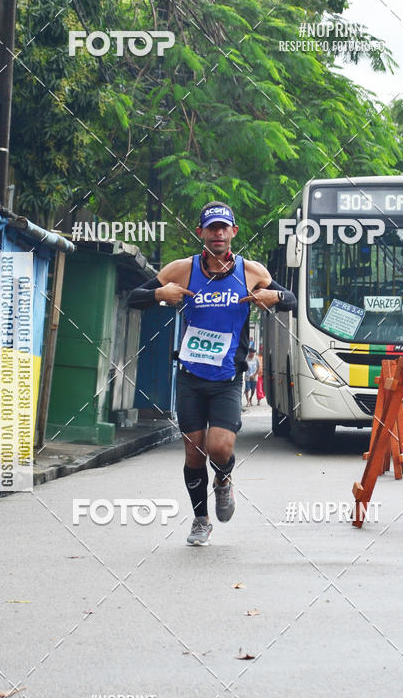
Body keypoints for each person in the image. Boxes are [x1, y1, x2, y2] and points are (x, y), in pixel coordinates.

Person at [127, 201, 297, 545]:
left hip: (228, 377)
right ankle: (201, 520)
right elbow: (134, 297)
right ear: (200, 233)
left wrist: (272, 295)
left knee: (219, 447)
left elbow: (291, 299)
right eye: (211, 228)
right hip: (190, 375)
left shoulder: (250, 272)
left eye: (224, 228)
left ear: (233, 232)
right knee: (193, 451)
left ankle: (223, 481)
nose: (218, 234)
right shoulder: (182, 269)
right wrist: (160, 293)